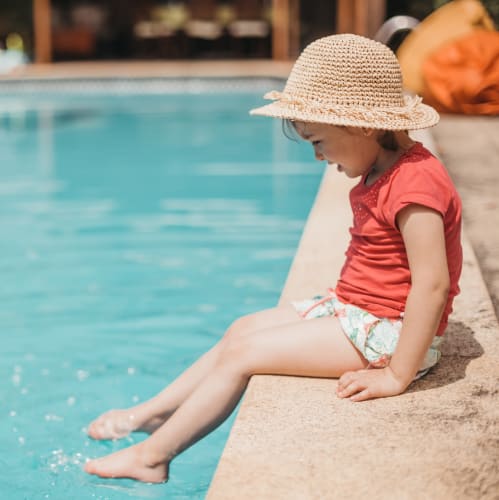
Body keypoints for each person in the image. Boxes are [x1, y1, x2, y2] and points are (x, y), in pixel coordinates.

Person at [84, 34, 462, 483]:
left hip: (386, 335)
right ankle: (153, 413)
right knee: (240, 330)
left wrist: (397, 373)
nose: (318, 155)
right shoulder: (384, 166)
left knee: (246, 354)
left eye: (318, 140)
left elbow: (433, 284)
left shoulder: (415, 185)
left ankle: (151, 458)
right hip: (356, 312)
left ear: (362, 126)